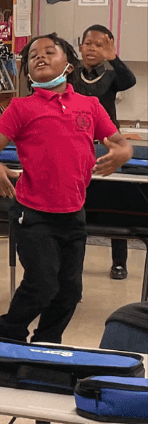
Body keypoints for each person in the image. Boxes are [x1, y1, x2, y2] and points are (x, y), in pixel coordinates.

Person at [0, 33, 133, 344]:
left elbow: (121, 143)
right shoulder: (21, 107)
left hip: (73, 215)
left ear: (69, 64)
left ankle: (46, 343)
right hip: (33, 213)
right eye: (33, 55)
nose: (40, 57)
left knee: (69, 293)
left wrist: (122, 153)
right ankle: (6, 337)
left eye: (50, 52)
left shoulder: (89, 105)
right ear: (27, 72)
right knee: (41, 285)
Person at [70, 24, 139, 280]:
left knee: (115, 200)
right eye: (89, 43)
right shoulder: (70, 73)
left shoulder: (111, 74)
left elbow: (129, 81)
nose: (92, 49)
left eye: (100, 45)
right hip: (77, 144)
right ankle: (75, 261)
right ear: (80, 46)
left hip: (109, 145)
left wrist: (114, 58)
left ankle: (119, 261)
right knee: (81, 203)